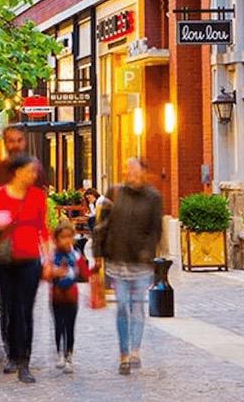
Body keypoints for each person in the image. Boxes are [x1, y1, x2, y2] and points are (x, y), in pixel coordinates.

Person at [0, 154, 49, 384]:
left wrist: (48, 260)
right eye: (30, 170)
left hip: (30, 258)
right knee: (8, 308)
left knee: (25, 310)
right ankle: (10, 353)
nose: (34, 175)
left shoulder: (38, 196)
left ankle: (24, 362)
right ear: (18, 172)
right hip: (4, 259)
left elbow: (43, 229)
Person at [93, 157, 162, 375]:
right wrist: (98, 253)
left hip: (140, 263)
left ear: (144, 172)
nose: (130, 172)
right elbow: (101, 225)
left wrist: (148, 252)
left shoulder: (153, 197)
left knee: (137, 308)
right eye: (128, 169)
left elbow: (155, 229)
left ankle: (135, 351)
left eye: (134, 169)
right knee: (122, 306)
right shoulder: (114, 192)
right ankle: (123, 354)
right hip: (117, 259)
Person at [46, 221, 94, 373]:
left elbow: (85, 274)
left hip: (72, 296)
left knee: (70, 326)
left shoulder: (76, 255)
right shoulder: (52, 256)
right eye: (63, 237)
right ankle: (60, 353)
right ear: (56, 239)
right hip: (56, 296)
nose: (67, 240)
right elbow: (45, 273)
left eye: (69, 237)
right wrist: (54, 272)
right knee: (58, 326)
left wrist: (94, 270)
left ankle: (69, 355)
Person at [0, 124, 48, 196]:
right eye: (11, 141)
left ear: (25, 142)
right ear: (5, 143)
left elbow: (43, 194)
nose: (16, 145)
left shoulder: (35, 168)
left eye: (19, 140)